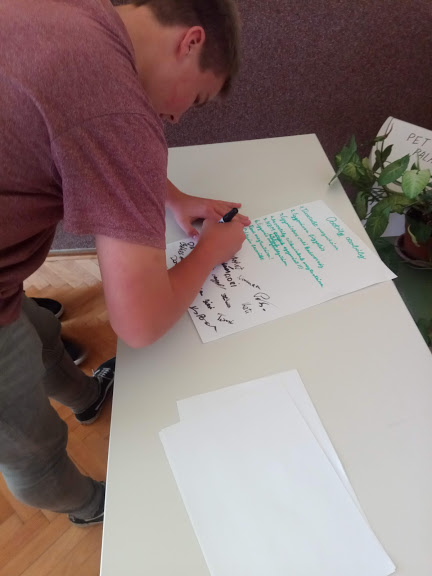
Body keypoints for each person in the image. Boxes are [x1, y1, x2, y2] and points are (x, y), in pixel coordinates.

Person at [0, 0, 249, 526]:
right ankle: (90, 506)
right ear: (191, 42)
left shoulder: (80, 15)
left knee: (39, 331)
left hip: (9, 281)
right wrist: (209, 251)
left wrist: (170, 195)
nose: (177, 118)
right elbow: (139, 323)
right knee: (29, 444)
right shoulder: (117, 110)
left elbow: (87, 128)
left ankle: (88, 396)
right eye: (196, 98)